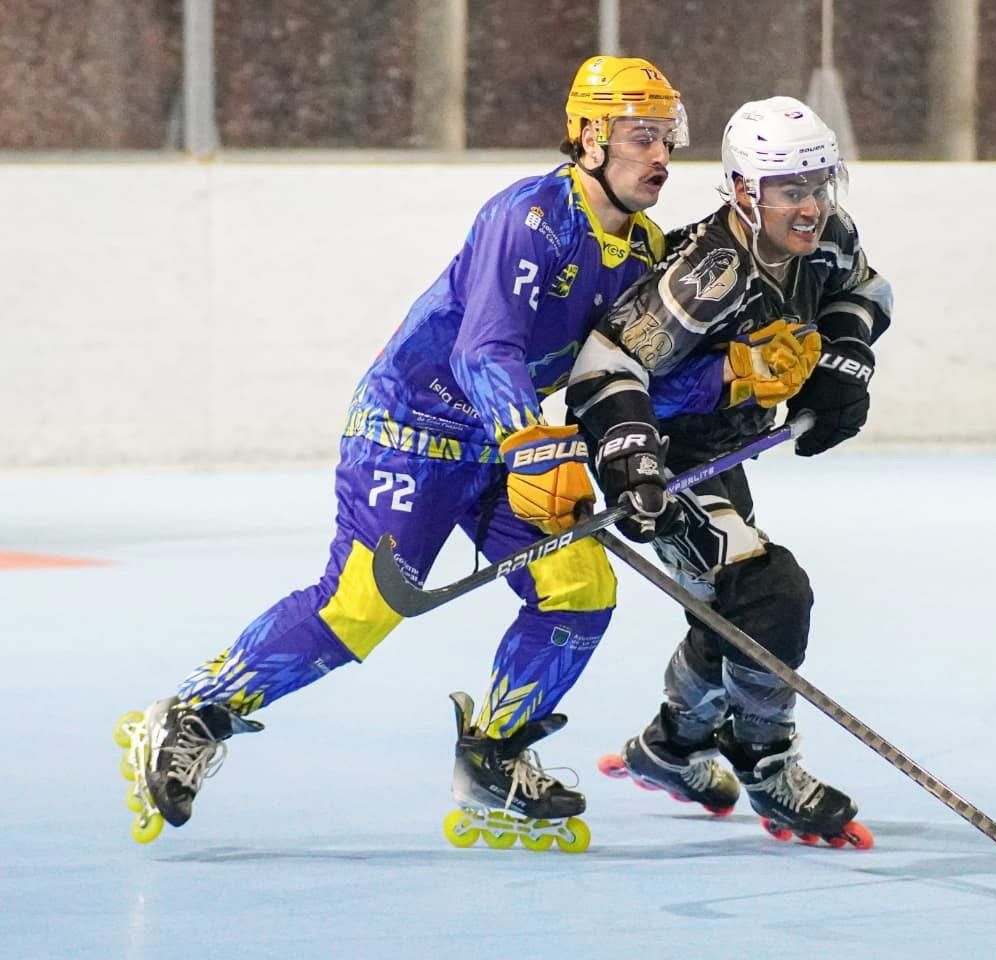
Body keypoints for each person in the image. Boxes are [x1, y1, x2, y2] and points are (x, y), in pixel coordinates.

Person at [114, 56, 688, 850]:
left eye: (667, 136)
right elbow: (484, 349)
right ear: (590, 138)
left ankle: (493, 755)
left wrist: (742, 383)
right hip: (410, 429)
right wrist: (531, 442)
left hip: (500, 448)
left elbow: (626, 370)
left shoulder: (646, 248)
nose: (661, 155)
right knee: (361, 606)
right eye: (641, 136)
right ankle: (196, 712)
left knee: (579, 586)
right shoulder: (530, 216)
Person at [568, 96, 892, 847]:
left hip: (720, 449)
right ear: (745, 190)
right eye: (790, 189)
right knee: (771, 594)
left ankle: (672, 747)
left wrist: (844, 357)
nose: (810, 206)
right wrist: (630, 457)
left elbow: (864, 291)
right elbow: (603, 366)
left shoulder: (830, 235)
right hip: (662, 458)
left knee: (732, 608)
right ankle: (765, 761)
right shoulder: (709, 273)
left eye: (820, 183)